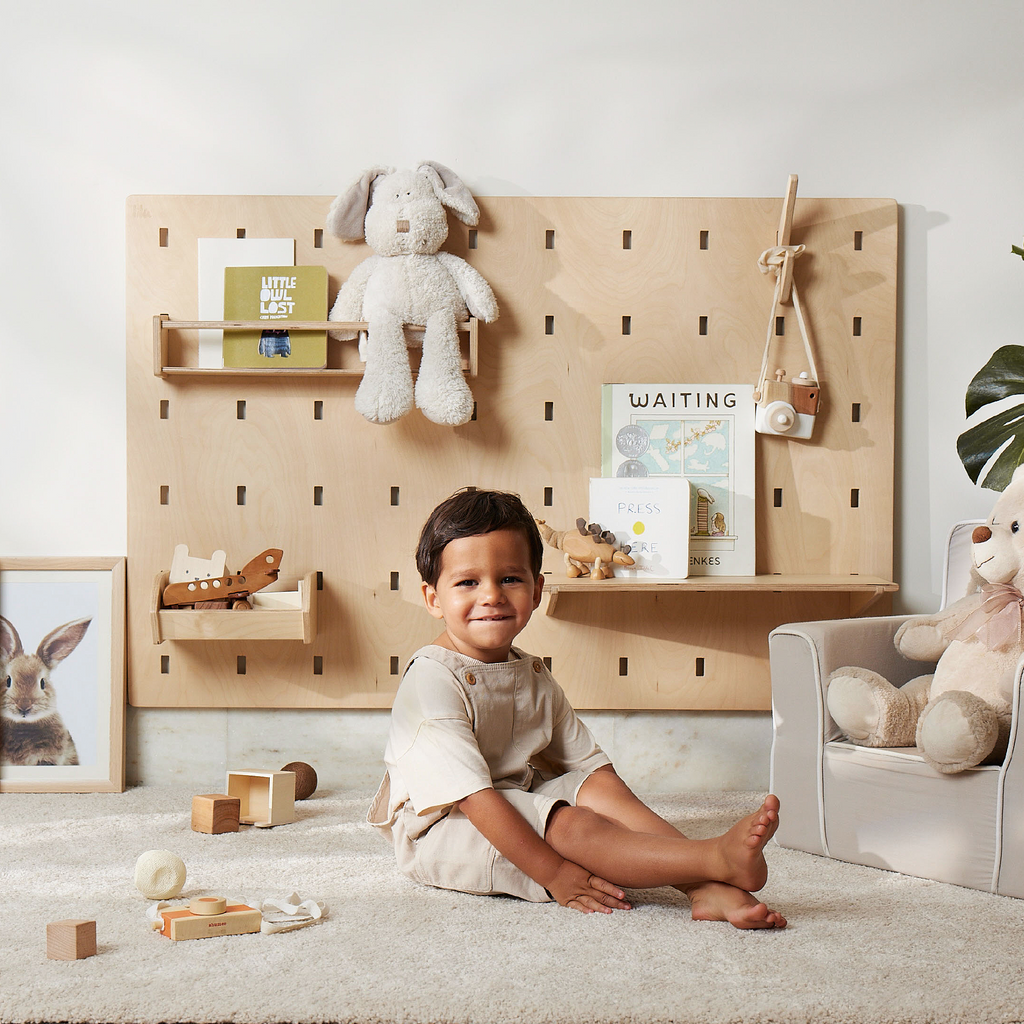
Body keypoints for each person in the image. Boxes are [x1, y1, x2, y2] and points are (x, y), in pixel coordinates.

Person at [368, 488, 786, 928]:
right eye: (468, 582)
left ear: (536, 590)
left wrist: (605, 804)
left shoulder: (529, 672)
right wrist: (556, 873)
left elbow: (591, 768)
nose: (491, 595)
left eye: (509, 578)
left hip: (513, 800)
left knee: (599, 791)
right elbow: (476, 799)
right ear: (434, 598)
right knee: (572, 826)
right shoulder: (431, 680)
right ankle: (711, 858)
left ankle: (705, 885)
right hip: (448, 829)